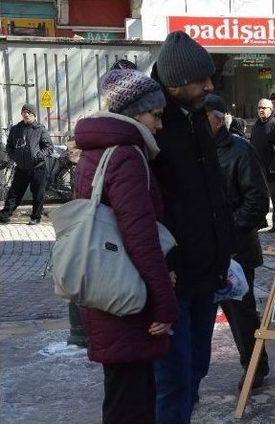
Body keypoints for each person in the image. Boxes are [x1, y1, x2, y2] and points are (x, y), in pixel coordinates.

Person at [72, 69, 179, 424]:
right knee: (131, 404)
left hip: (106, 290)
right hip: (127, 297)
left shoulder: (97, 151)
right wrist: (165, 303)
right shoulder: (127, 156)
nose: (160, 125)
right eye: (156, 115)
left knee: (121, 397)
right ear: (135, 114)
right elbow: (140, 236)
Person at [150, 31, 234, 424]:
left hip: (207, 272)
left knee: (197, 367)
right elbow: (147, 208)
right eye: (202, 80)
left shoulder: (196, 114)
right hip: (173, 277)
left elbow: (210, 193)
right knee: (174, 379)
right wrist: (164, 266)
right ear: (175, 83)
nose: (210, 86)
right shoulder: (154, 123)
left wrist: (224, 252)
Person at [203, 94, 271, 389]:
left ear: (216, 119)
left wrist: (228, 232)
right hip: (205, 247)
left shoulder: (239, 150)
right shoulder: (197, 150)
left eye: (202, 118)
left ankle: (255, 365)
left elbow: (258, 200)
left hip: (236, 249)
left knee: (241, 313)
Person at [0, 104, 53, 225]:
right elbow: (9, 147)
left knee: (38, 193)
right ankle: (4, 216)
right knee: (14, 193)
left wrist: (38, 156)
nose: (26, 114)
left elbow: (49, 148)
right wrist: (15, 157)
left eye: (29, 112)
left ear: (34, 115)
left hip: (38, 168)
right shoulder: (16, 129)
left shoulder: (40, 129)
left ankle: (35, 217)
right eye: (24, 112)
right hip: (21, 168)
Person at [250, 98, 275, 232]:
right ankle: (261, 222)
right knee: (260, 197)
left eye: (264, 108)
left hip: (272, 169)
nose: (261, 110)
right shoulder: (257, 124)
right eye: (259, 108)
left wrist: (274, 166)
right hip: (258, 168)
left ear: (271, 109)